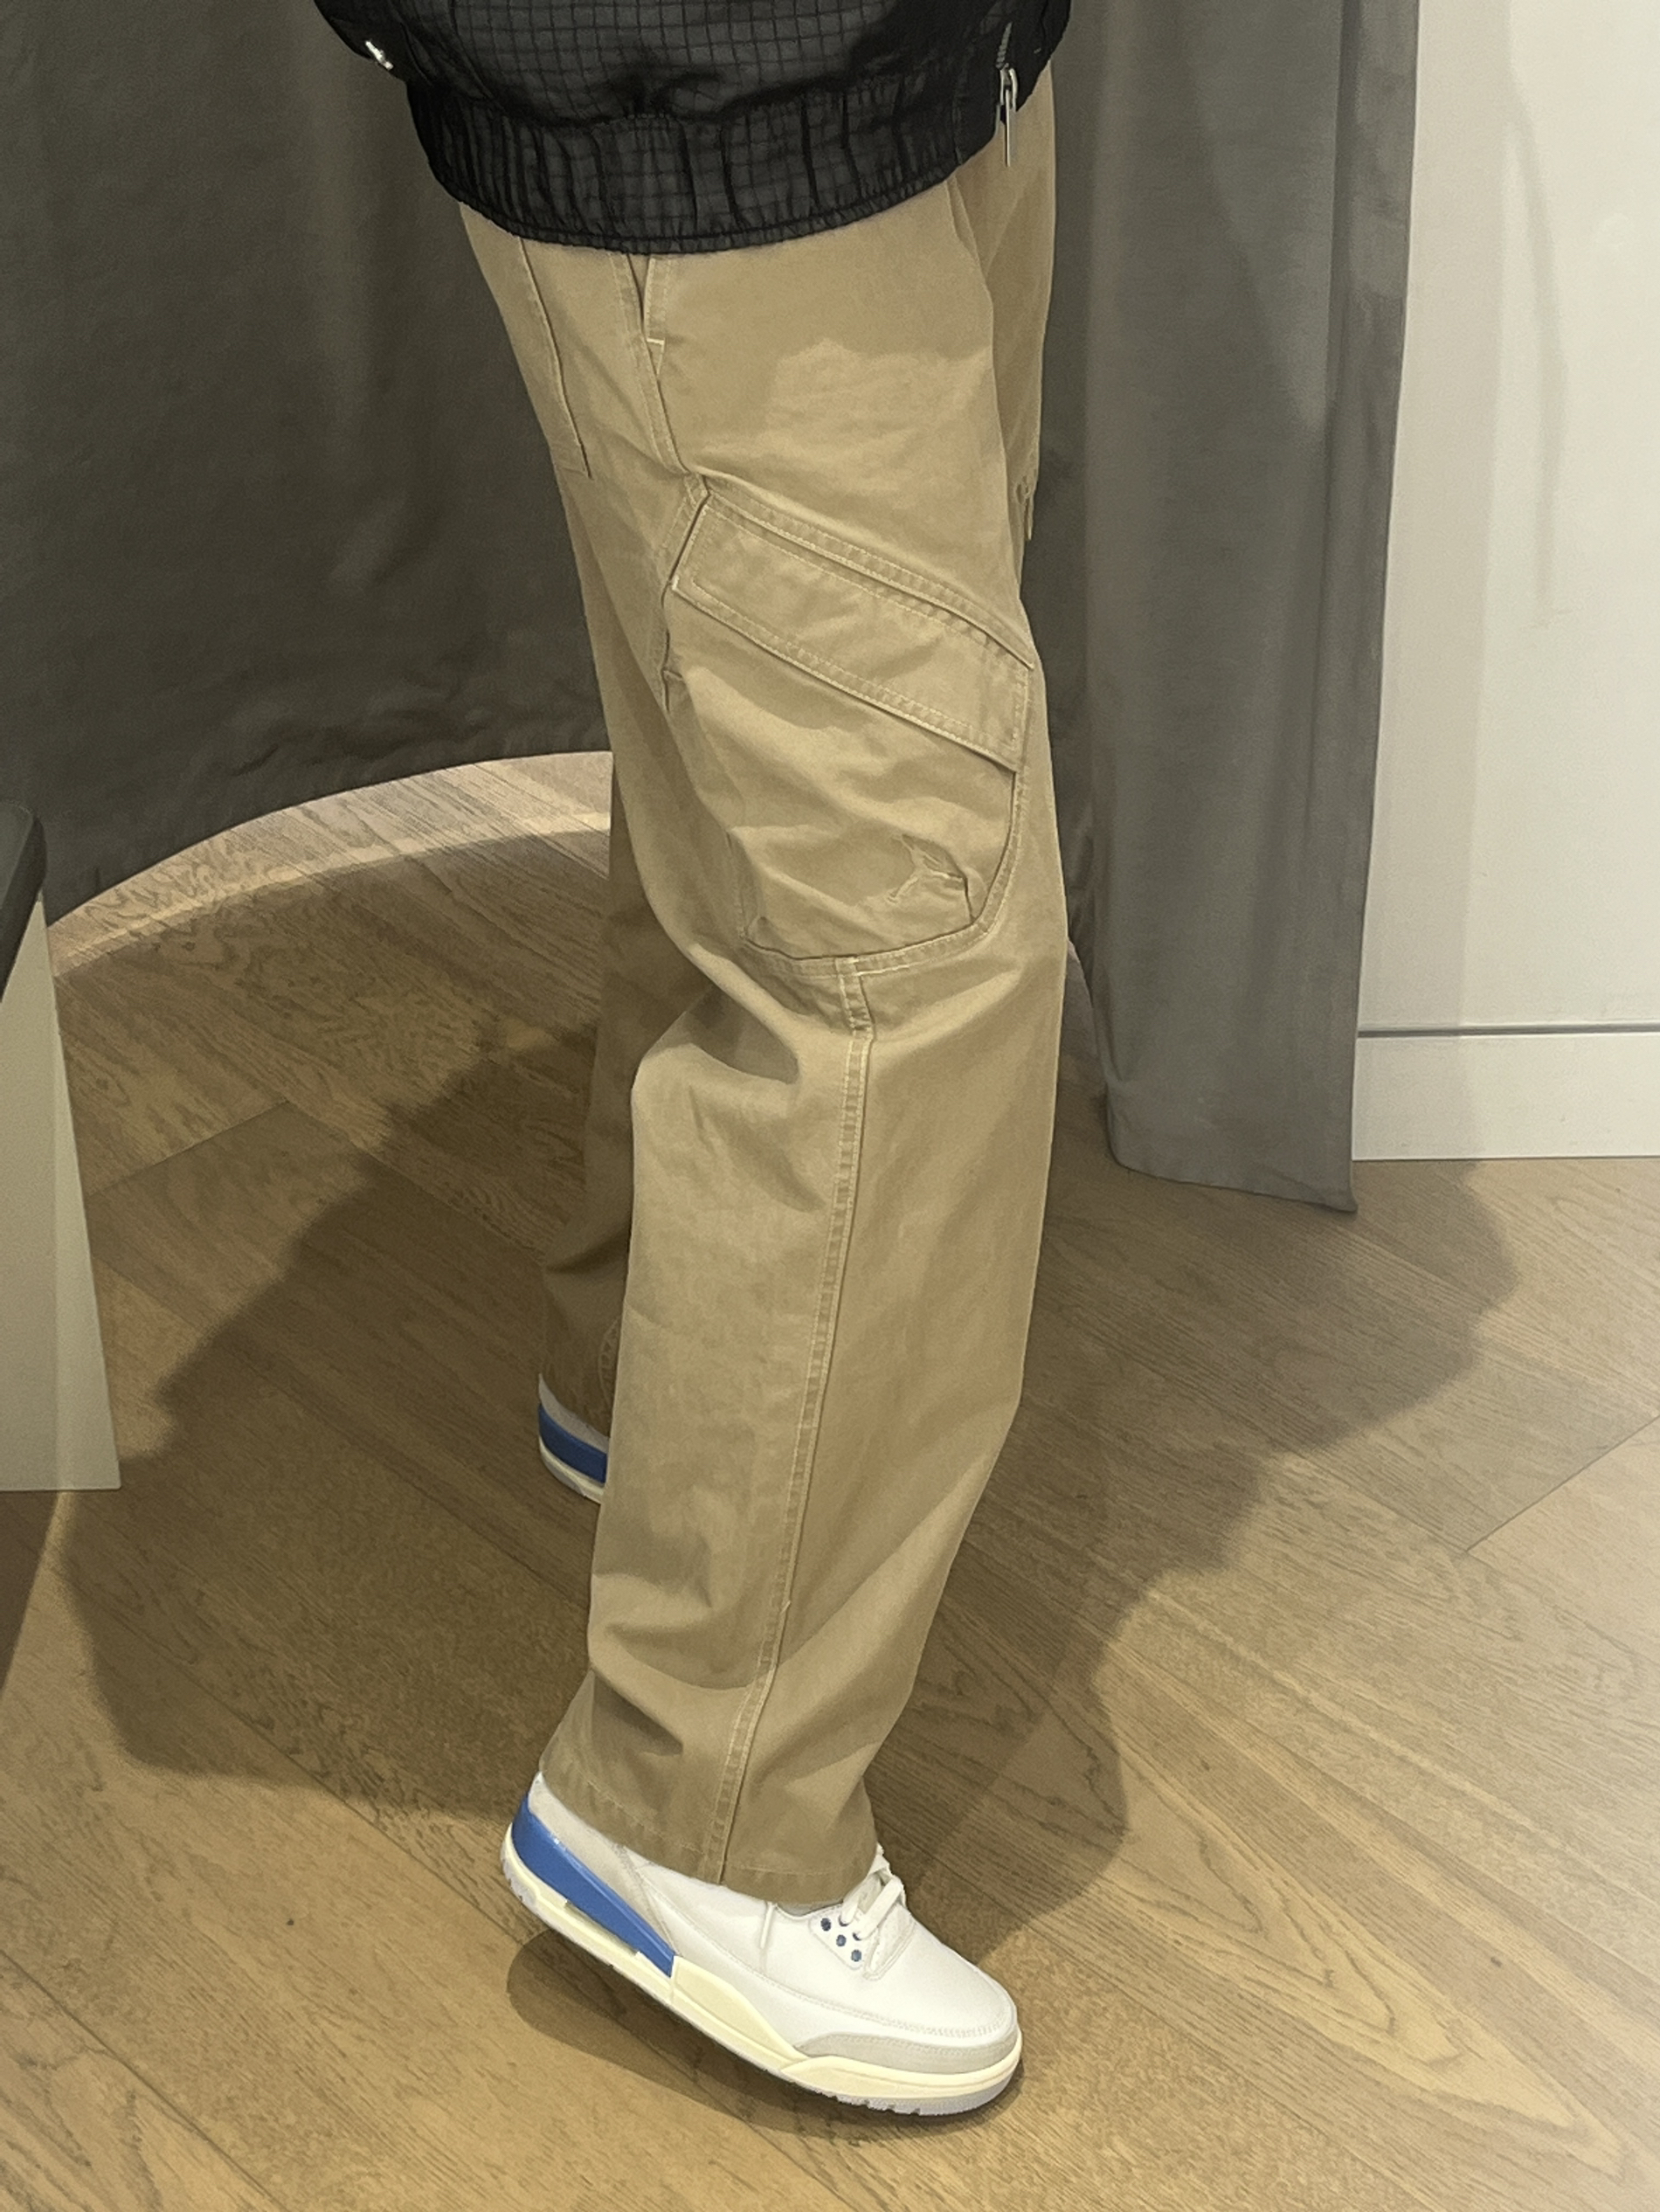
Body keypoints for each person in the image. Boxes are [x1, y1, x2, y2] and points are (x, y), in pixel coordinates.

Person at [314, 0, 1072, 2114]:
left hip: (891, 63)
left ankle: (645, 1382)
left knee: (758, 807)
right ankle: (697, 1811)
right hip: (714, 79)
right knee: (904, 951)